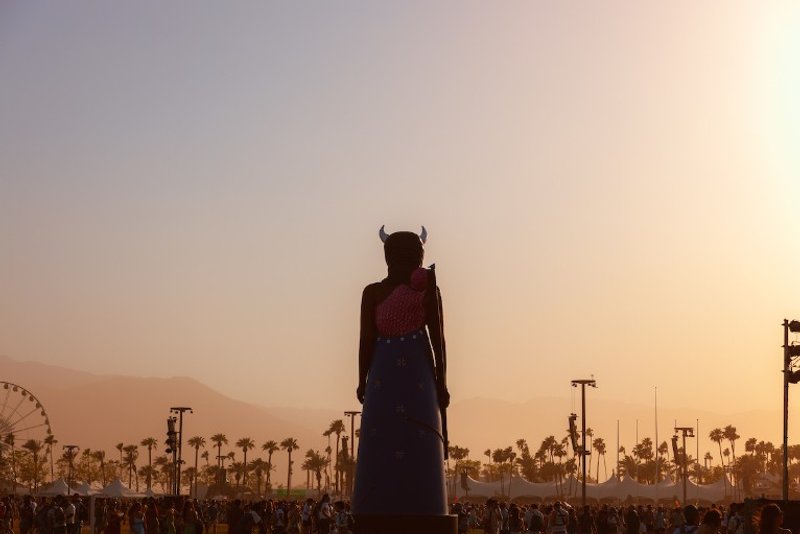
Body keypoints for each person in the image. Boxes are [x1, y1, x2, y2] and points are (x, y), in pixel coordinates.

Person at [351, 227, 450, 521]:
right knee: (399, 438)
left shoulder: (418, 290)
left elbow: (366, 340)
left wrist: (362, 379)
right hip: (408, 375)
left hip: (394, 374)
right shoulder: (379, 292)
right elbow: (438, 342)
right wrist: (442, 383)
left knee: (400, 437)